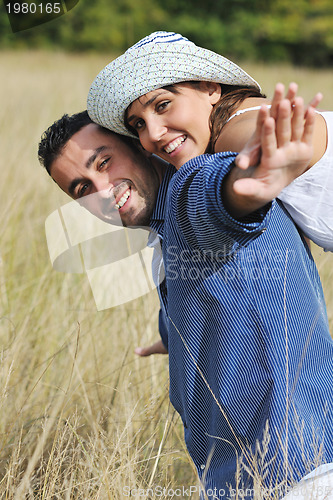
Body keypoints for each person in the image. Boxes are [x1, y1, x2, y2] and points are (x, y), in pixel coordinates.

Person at [39, 102, 333, 497]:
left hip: (300, 473)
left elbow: (215, 199)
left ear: (141, 146)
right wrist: (177, 333)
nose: (102, 191)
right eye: (82, 189)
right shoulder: (164, 237)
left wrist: (243, 186)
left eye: (104, 162)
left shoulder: (189, 186)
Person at [87, 31, 333, 252]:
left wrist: (263, 153)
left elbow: (252, 141)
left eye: (162, 105)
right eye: (138, 124)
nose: (152, 134)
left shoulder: (234, 132)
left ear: (210, 89)